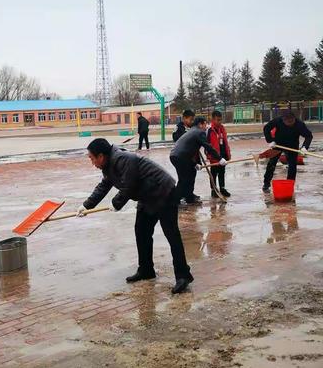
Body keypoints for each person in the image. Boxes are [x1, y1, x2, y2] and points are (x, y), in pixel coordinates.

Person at [76, 138, 194, 294]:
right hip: (147, 196)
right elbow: (104, 186)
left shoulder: (123, 159)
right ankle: (146, 270)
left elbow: (129, 185)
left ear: (101, 156)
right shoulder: (109, 164)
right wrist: (86, 205)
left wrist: (116, 203)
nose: (92, 162)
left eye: (92, 158)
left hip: (163, 192)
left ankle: (183, 276)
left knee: (172, 235)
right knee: (141, 232)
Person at [170, 117, 226, 204]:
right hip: (181, 157)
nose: (206, 126)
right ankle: (175, 201)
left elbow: (192, 149)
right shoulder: (199, 132)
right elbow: (208, 147)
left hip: (177, 156)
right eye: (205, 124)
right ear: (200, 124)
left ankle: (189, 198)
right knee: (184, 179)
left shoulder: (192, 131)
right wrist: (220, 158)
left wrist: (195, 163)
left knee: (191, 174)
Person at [262, 112, 313, 192]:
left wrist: (304, 147)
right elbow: (266, 128)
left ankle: (290, 185)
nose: (289, 124)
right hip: (278, 144)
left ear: (294, 119)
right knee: (271, 163)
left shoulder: (299, 124)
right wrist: (270, 141)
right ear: (283, 120)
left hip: (292, 145)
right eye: (287, 122)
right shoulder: (278, 121)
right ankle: (266, 184)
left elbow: (308, 136)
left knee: (292, 166)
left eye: (291, 122)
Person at [206, 110, 232, 198]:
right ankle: (213, 189)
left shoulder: (222, 129)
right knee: (213, 173)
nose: (219, 122)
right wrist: (210, 155)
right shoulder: (210, 131)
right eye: (217, 120)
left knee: (222, 172)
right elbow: (207, 146)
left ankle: (222, 188)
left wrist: (227, 153)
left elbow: (225, 142)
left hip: (223, 155)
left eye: (221, 120)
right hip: (214, 157)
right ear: (212, 119)